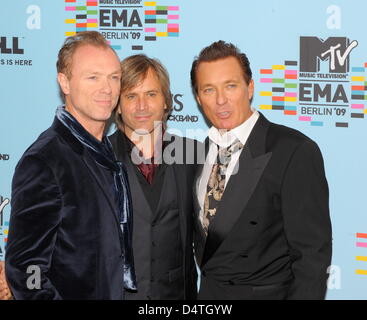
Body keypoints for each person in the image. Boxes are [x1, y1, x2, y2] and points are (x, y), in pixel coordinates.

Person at [191, 40, 332, 300]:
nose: (221, 100)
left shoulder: (294, 150)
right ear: (199, 98)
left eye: (230, 86)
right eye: (209, 90)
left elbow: (312, 257)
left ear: (250, 87)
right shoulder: (199, 152)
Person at [4, 31, 136, 299]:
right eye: (93, 77)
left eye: (114, 77)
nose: (107, 89)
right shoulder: (44, 161)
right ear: (64, 83)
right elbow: (26, 269)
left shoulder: (104, 152)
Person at [109, 54, 198, 299]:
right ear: (117, 104)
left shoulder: (194, 156)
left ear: (166, 102)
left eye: (151, 94)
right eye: (131, 96)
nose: (142, 106)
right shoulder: (97, 160)